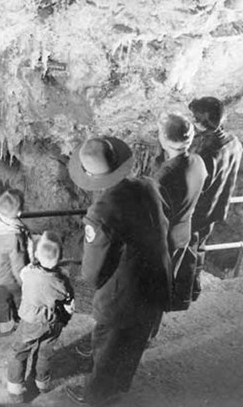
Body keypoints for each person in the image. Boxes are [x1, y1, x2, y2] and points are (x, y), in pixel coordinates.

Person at [65, 136, 172, 405]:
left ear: (90, 175)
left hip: (124, 294)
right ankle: (119, 385)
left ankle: (94, 395)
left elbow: (93, 270)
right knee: (134, 340)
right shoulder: (148, 184)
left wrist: (93, 282)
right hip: (157, 279)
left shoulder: (101, 211)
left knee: (107, 346)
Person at [150, 114, 207, 338]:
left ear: (164, 139)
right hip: (183, 232)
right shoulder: (198, 162)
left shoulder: (164, 175)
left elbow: (153, 209)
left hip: (163, 239)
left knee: (152, 286)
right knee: (166, 281)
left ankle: (145, 332)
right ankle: (151, 329)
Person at [6, 231, 75, 402]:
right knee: (44, 353)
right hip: (54, 322)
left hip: (31, 321)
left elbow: (23, 270)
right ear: (60, 259)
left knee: (19, 352)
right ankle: (42, 384)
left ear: (36, 255)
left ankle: (16, 390)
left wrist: (31, 248)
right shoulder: (63, 280)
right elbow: (69, 303)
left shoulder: (29, 274)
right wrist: (64, 319)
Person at [188, 97, 243, 296]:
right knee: (200, 246)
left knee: (187, 249)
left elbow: (196, 184)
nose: (192, 121)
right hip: (217, 206)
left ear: (203, 122)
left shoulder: (207, 153)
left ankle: (183, 291)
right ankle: (194, 287)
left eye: (194, 118)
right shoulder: (234, 141)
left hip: (198, 210)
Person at [0, 189, 31, 334]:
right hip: (7, 275)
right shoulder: (12, 235)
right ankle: (25, 320)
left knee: (2, 300)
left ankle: (5, 325)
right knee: (21, 296)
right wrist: (23, 280)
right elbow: (17, 262)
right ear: (18, 211)